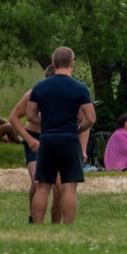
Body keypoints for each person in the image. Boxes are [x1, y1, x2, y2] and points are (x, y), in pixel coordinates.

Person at [23, 47, 96, 226]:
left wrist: (47, 121)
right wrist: (77, 129)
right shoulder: (80, 88)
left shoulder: (40, 87)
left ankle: (38, 225)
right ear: (72, 64)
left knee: (43, 186)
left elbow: (30, 115)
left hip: (47, 139)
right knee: (69, 186)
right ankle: (68, 226)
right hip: (70, 139)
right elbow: (90, 118)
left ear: (53, 64)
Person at [11, 66, 77, 223]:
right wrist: (28, 138)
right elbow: (14, 117)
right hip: (35, 139)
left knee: (59, 186)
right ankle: (33, 218)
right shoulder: (35, 93)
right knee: (37, 180)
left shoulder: (69, 94)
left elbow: (84, 119)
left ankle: (54, 224)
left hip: (56, 138)